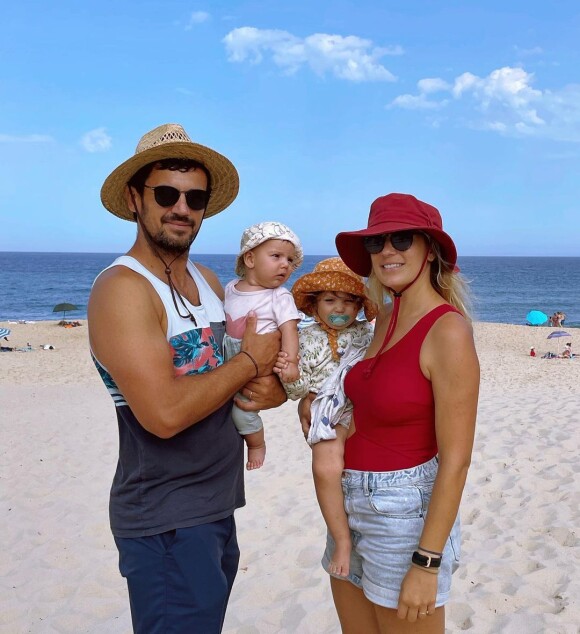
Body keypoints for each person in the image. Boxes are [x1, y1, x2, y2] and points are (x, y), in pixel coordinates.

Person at [88, 123, 287, 633]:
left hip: (214, 506)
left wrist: (270, 386)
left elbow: (241, 375)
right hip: (165, 518)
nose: (182, 207)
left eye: (195, 196)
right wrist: (248, 364)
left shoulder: (210, 281)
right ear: (135, 198)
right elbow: (165, 414)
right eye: (167, 193)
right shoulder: (122, 290)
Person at [301, 193, 480, 632]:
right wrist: (316, 406)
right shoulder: (377, 320)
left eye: (401, 238)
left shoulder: (447, 330)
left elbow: (455, 461)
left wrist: (427, 561)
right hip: (348, 503)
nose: (387, 251)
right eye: (376, 242)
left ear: (430, 249)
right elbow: (360, 402)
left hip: (404, 518)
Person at [280, 257, 378, 577]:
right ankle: (342, 539)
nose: (341, 308)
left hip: (361, 403)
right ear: (313, 305)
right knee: (325, 467)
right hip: (325, 405)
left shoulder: (366, 333)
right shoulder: (304, 339)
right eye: (330, 300)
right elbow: (299, 389)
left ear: (360, 307)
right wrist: (291, 374)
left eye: (350, 301)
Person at [223, 221, 303, 470]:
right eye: (276, 256)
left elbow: (289, 330)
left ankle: (256, 445)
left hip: (260, 365)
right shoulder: (230, 289)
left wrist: (290, 361)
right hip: (229, 357)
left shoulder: (279, 296)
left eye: (290, 261)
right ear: (250, 259)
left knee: (243, 411)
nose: (285, 265)